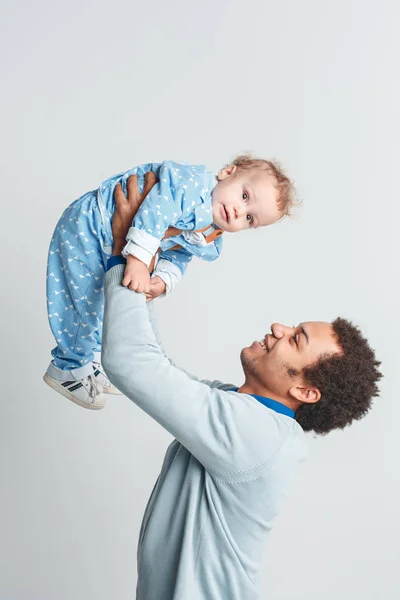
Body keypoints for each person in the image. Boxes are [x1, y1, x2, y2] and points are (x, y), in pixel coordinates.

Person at [101, 176, 382, 600]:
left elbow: (131, 362)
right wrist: (145, 271)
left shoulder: (253, 433)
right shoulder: (246, 413)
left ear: (306, 391)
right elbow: (155, 366)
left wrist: (128, 254)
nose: (278, 328)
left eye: (296, 339)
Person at [44, 156, 295, 409]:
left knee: (101, 305)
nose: (240, 212)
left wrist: (163, 279)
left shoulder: (209, 230)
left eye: (250, 219)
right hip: (92, 225)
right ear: (228, 172)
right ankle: (68, 366)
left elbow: (179, 253)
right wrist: (139, 261)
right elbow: (154, 212)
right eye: (244, 196)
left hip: (111, 242)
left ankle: (90, 360)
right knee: (83, 301)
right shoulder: (192, 184)